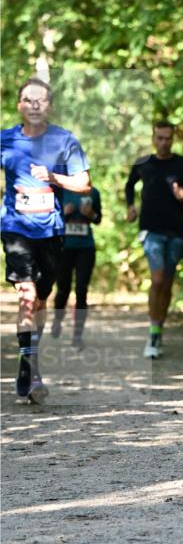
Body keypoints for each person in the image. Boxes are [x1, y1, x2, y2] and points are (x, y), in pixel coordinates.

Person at [1, 77, 91, 403]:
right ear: (19, 105)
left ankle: (30, 356)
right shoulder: (5, 139)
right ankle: (31, 370)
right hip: (15, 227)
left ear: (49, 106)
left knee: (40, 299)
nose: (34, 105)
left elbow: (84, 183)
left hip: (51, 231)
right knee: (26, 295)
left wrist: (53, 177)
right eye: (28, 99)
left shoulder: (64, 140)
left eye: (41, 100)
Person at [125, 121, 183, 359]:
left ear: (173, 139)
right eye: (159, 138)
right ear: (153, 138)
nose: (164, 142)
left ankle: (158, 331)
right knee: (157, 279)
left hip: (176, 232)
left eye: (168, 138)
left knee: (167, 284)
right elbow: (129, 185)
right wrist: (130, 206)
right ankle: (152, 332)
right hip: (150, 230)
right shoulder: (143, 163)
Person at [51, 186, 102, 348]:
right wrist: (63, 214)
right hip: (64, 248)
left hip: (86, 248)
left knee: (81, 290)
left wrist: (91, 214)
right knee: (63, 289)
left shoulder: (93, 193)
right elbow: (49, 219)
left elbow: (98, 219)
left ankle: (77, 335)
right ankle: (58, 319)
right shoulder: (60, 191)